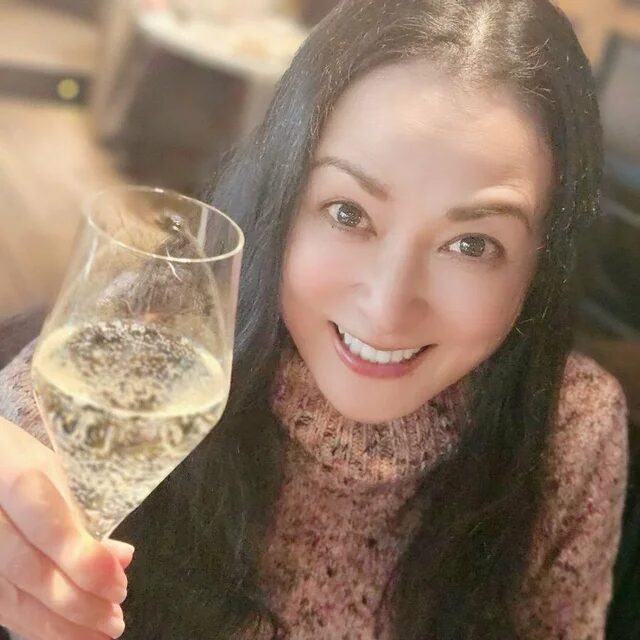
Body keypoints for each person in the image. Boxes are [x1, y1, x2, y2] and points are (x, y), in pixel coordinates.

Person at [0, 0, 629, 638]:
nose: (386, 307)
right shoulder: (157, 334)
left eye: (472, 245)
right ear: (281, 192)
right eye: (348, 213)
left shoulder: (569, 432)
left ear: (543, 260)